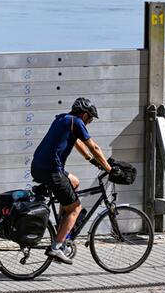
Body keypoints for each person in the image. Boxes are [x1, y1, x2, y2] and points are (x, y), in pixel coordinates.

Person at [31, 97, 111, 264]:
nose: (89, 122)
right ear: (84, 114)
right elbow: (94, 146)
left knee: (74, 182)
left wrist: (90, 159)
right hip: (52, 170)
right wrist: (109, 168)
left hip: (39, 167)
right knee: (76, 208)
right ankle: (56, 247)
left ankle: (63, 226)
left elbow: (78, 143)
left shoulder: (63, 119)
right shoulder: (76, 121)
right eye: (90, 118)